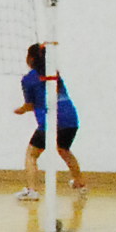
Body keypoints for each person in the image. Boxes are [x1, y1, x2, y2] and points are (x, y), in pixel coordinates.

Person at [15, 43, 84, 200]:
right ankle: (80, 183)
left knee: (32, 154)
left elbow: (30, 105)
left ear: (31, 59)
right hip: (71, 119)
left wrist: (22, 110)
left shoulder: (28, 79)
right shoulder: (55, 74)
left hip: (50, 121)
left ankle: (32, 190)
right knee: (64, 149)